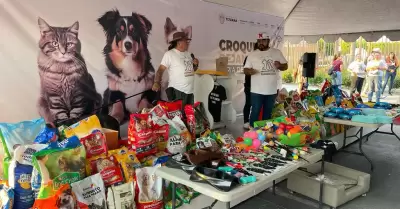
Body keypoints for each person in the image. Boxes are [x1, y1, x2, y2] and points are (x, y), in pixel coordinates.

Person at [243, 32, 288, 128]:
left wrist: (280, 65)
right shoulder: (252, 55)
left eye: (263, 40)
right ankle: (252, 132)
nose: (261, 43)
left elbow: (286, 66)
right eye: (259, 41)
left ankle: (265, 132)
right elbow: (245, 69)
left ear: (268, 41)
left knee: (268, 113)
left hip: (271, 90)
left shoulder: (276, 52)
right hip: (256, 90)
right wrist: (249, 71)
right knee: (255, 111)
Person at [152, 31, 199, 109]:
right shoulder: (169, 54)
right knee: (179, 117)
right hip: (178, 91)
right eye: (186, 41)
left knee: (189, 115)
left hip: (191, 91)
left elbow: (192, 70)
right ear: (179, 42)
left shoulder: (189, 54)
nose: (187, 43)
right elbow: (160, 70)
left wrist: (196, 64)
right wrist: (156, 82)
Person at [243, 43, 258, 129]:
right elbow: (246, 70)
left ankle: (256, 121)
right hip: (250, 85)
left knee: (257, 105)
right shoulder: (249, 58)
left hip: (260, 86)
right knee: (248, 103)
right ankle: (246, 121)